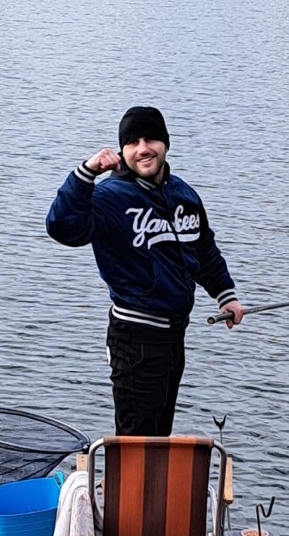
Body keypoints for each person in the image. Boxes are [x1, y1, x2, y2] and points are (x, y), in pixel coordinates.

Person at [46, 105, 244, 435]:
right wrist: (86, 172)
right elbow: (61, 227)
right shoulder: (110, 197)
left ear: (165, 143)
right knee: (137, 443)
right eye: (133, 142)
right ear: (122, 152)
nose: (143, 149)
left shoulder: (183, 194)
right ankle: (126, 486)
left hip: (173, 338)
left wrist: (226, 296)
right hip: (135, 340)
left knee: (159, 437)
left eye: (150, 139)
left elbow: (203, 249)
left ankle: (149, 487)